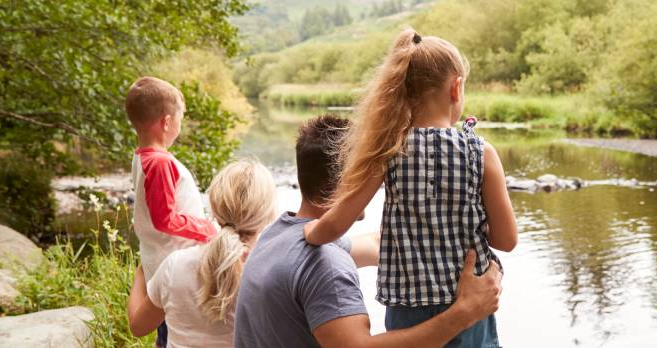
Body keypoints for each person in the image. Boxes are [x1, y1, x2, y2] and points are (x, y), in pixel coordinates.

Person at [302, 29, 518, 347]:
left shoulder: (387, 151)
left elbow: (334, 225)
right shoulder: (481, 152)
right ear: (456, 88)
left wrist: (308, 232)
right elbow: (507, 240)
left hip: (407, 315)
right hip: (469, 304)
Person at [235, 115, 503, 347]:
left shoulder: (278, 235)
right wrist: (466, 312)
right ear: (353, 178)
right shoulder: (326, 266)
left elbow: (375, 245)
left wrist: (437, 229)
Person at [126, 159, 277, 347]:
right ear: (270, 214)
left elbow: (138, 327)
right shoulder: (272, 275)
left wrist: (141, 271)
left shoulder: (174, 266)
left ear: (213, 208)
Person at [125, 76, 220, 347]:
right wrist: (208, 229)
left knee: (168, 324)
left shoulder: (142, 157)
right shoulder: (160, 163)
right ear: (166, 122)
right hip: (173, 262)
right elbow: (165, 219)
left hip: (161, 259)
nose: (180, 124)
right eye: (179, 118)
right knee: (172, 327)